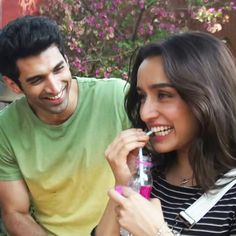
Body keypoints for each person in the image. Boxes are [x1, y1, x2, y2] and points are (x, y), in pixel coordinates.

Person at [93, 31, 236, 236]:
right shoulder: (149, 175)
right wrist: (123, 182)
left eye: (164, 95)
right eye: (142, 96)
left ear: (208, 98)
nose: (145, 112)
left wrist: (156, 232)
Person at [0, 15, 130, 235]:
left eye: (58, 69)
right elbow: (16, 213)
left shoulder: (117, 97)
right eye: (36, 80)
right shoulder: (6, 128)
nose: (54, 87)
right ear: (13, 85)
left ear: (67, 61)